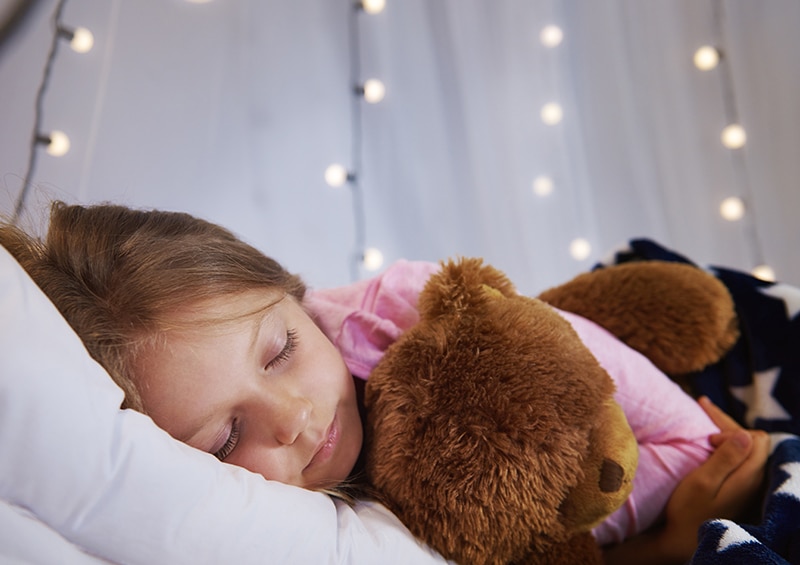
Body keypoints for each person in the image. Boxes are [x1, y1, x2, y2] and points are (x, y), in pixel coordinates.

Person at [0, 201, 769, 563]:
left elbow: (694, 445)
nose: (296, 417)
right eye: (227, 435)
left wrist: (690, 498)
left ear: (295, 294)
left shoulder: (410, 314)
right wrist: (664, 550)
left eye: (279, 353)